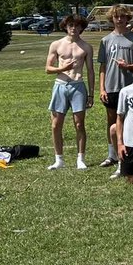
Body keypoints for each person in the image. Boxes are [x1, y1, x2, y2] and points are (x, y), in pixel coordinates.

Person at [46, 13, 95, 171]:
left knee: (79, 124)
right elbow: (48, 68)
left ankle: (80, 158)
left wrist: (91, 94)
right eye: (71, 25)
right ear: (66, 27)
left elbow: (90, 71)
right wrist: (62, 68)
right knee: (55, 125)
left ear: (81, 28)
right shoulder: (56, 44)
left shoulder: (86, 47)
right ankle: (58, 159)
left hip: (78, 86)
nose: (74, 28)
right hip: (60, 85)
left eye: (77, 26)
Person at [96, 4, 133, 170]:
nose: (120, 19)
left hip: (131, 87)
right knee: (111, 121)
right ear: (112, 19)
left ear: (127, 18)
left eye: (123, 16)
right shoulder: (106, 40)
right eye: (117, 17)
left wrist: (128, 66)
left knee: (130, 120)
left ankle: (129, 152)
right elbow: (102, 67)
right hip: (112, 87)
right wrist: (102, 88)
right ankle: (112, 154)